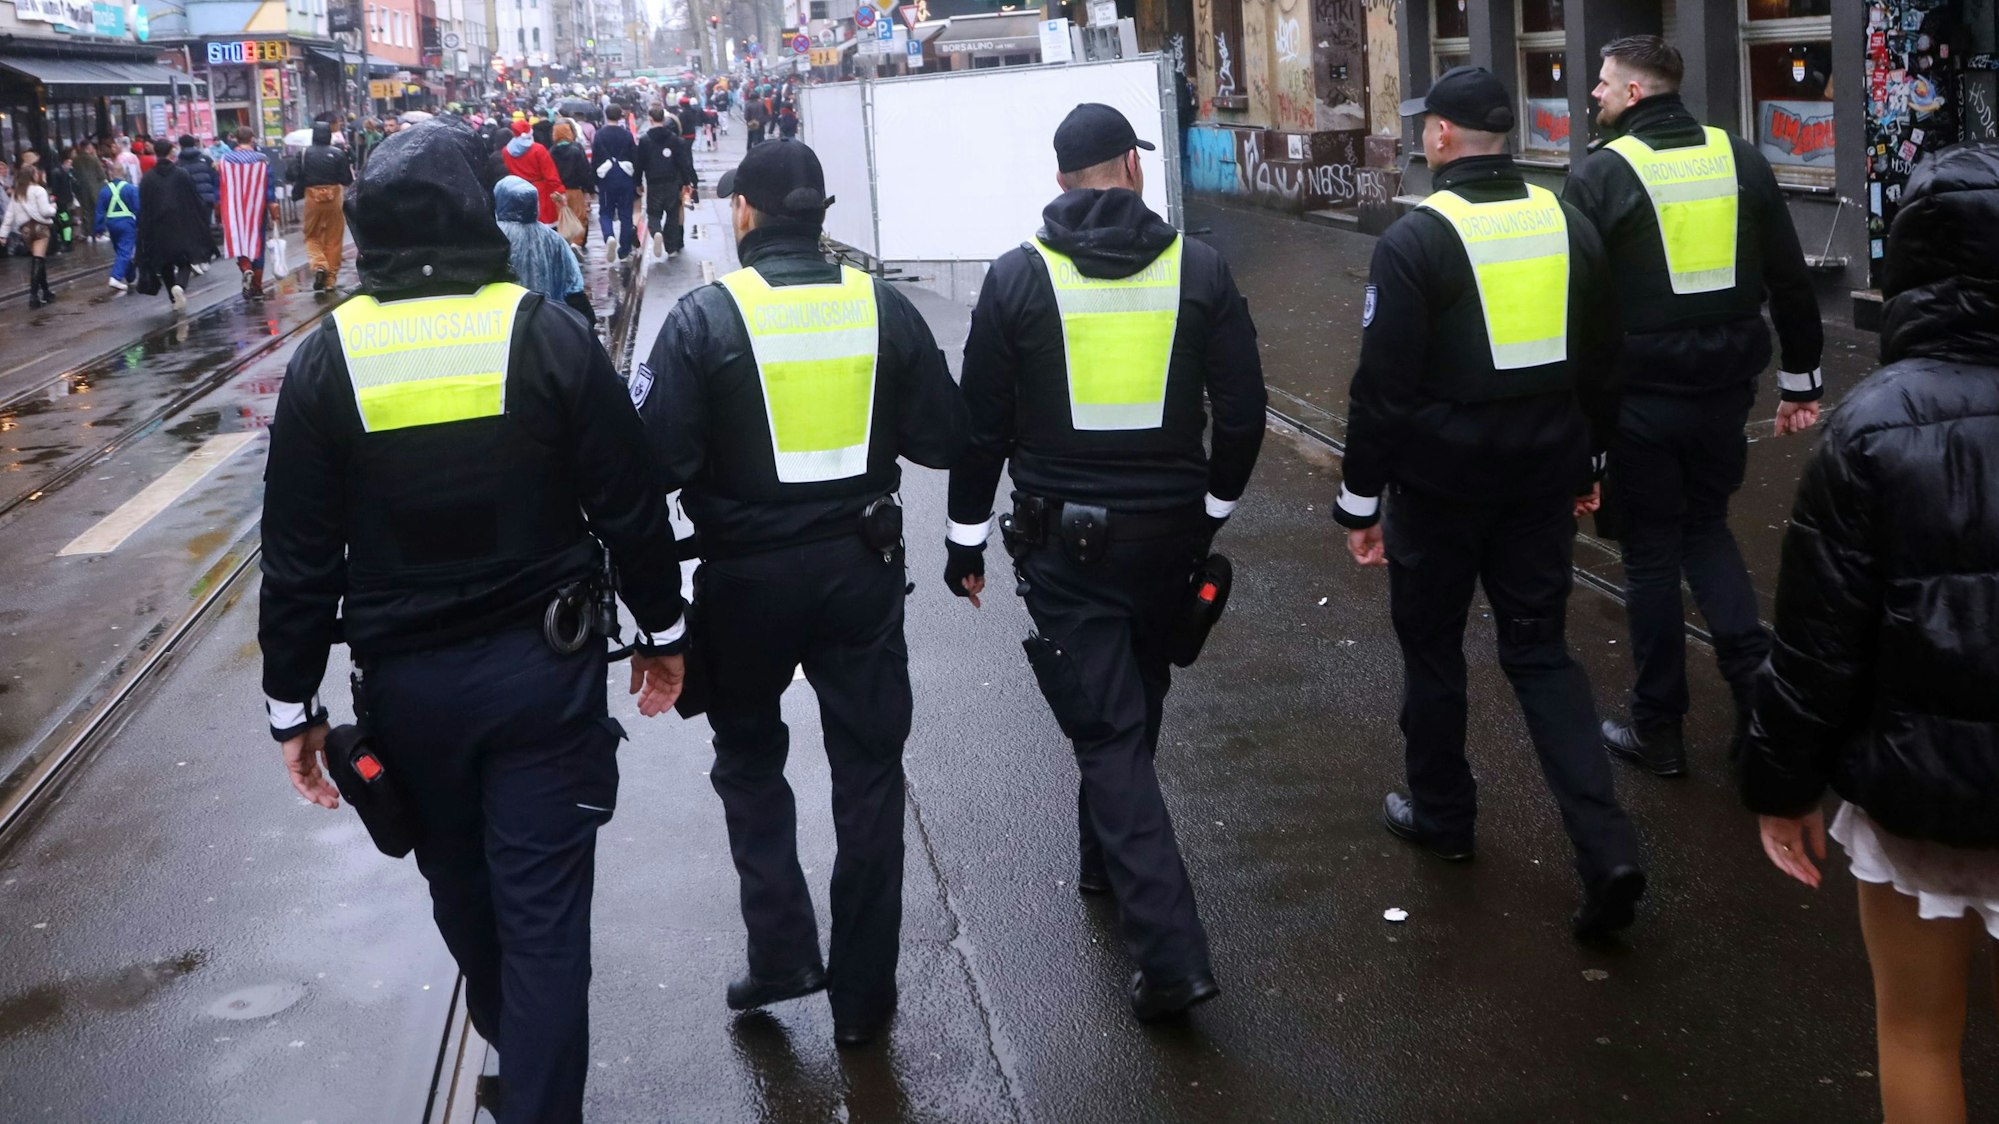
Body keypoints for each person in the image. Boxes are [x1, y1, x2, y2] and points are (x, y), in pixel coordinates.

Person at [258, 121, 689, 1124]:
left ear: (367, 229)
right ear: (471, 215)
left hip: (410, 693)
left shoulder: (327, 360)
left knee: (464, 898)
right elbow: (628, 499)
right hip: (546, 672)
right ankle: (537, 1077)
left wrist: (294, 707)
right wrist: (664, 632)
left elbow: (299, 556)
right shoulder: (541, 330)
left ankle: (523, 1060)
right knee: (543, 927)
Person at [634, 139, 968, 1047]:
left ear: (742, 211)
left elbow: (653, 463)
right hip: (860, 574)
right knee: (868, 773)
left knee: (748, 759)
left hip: (743, 581)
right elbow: (944, 440)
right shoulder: (882, 307)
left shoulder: (705, 318)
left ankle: (782, 954)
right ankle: (864, 997)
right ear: (819, 216)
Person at [944, 104, 1266, 1022]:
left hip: (1063, 543)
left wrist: (964, 538)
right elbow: (1242, 413)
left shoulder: (1016, 279)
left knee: (1108, 730)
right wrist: (1209, 508)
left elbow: (982, 429)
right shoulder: (1198, 268)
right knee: (1133, 697)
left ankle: (1168, 956)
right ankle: (1102, 862)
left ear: (1060, 180)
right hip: (1168, 534)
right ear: (1130, 165)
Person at [1331, 68, 1647, 938]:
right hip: (1540, 484)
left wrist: (1358, 502)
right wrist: (1593, 462)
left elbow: (1381, 392)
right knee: (1541, 655)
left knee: (1432, 652)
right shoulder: (1567, 222)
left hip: (1437, 494)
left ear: (1439, 138)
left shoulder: (1415, 240)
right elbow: (1604, 362)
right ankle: (1607, 849)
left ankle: (1444, 816)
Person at [1740, 142, 1999, 1124]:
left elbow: (1815, 642)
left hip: (1913, 797)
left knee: (1917, 1032)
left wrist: (1781, 785)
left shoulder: (1870, 424)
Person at [1561, 36, 1826, 776]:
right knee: (1705, 531)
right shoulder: (1738, 157)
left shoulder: (1602, 174)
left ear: (1635, 94)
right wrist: (1800, 381)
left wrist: (1575, 432)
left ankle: (1658, 728)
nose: (1594, 95)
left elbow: (1574, 310)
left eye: (1605, 84)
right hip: (1722, 392)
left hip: (1640, 399)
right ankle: (1759, 700)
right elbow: (1787, 273)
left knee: (1649, 555)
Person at [494, 175, 592, 321]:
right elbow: (572, 286)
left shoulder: (494, 237)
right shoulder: (553, 239)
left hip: (503, 322)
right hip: (547, 322)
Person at [135, 140, 213, 312]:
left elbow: (144, 206)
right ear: (171, 152)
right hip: (180, 224)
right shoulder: (181, 174)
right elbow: (193, 200)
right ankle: (180, 286)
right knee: (185, 259)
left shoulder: (147, 178)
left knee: (165, 263)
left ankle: (173, 297)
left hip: (157, 227)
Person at [218, 128, 279, 300]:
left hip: (234, 209)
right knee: (256, 243)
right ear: (252, 139)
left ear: (236, 139)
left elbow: (219, 183)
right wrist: (271, 203)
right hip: (256, 208)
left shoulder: (225, 159)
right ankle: (257, 287)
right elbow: (269, 186)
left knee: (239, 240)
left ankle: (246, 268)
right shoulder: (262, 160)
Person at [294, 123, 353, 292]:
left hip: (312, 197)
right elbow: (346, 179)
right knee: (334, 238)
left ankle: (319, 264)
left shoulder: (304, 153)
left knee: (311, 235)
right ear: (329, 135)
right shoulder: (338, 153)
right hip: (334, 196)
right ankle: (330, 280)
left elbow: (292, 174)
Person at [636, 106, 693, 260]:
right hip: (672, 182)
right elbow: (683, 163)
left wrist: (638, 182)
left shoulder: (644, 140)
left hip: (653, 183)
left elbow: (639, 163)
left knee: (653, 214)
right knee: (672, 214)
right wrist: (687, 182)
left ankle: (656, 233)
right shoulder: (675, 140)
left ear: (650, 119)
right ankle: (671, 247)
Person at [3, 163, 59, 308]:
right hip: (40, 227)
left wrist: (3, 234)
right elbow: (45, 211)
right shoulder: (38, 190)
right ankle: (34, 295)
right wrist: (53, 208)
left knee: (37, 260)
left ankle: (46, 291)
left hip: (25, 230)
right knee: (39, 260)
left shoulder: (17, 193)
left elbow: (9, 215)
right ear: (33, 175)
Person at [589, 104, 638, 262]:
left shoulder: (599, 135)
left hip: (606, 178)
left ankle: (609, 236)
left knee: (605, 212)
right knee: (625, 214)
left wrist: (594, 181)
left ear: (606, 115)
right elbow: (634, 157)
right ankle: (624, 249)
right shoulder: (627, 135)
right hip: (625, 177)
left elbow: (595, 159)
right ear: (620, 116)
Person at [502, 120, 564, 226]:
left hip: (518, 191)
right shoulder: (538, 149)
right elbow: (550, 174)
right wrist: (559, 191)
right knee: (545, 226)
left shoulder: (506, 151)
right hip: (540, 192)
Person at [547, 122, 595, 251]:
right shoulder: (576, 149)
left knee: (562, 218)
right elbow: (585, 170)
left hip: (557, 192)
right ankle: (577, 243)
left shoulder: (551, 151)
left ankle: (565, 243)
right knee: (579, 217)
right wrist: (589, 189)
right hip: (575, 189)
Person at [96, 173, 140, 290]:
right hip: (127, 224)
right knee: (125, 251)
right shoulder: (131, 189)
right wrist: (141, 223)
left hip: (112, 224)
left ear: (111, 174)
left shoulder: (104, 191)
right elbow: (138, 208)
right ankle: (115, 277)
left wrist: (98, 229)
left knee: (121, 251)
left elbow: (99, 211)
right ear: (124, 174)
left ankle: (131, 277)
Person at [70, 141, 105, 244]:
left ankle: (88, 233)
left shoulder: (75, 161)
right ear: (88, 148)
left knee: (86, 211)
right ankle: (98, 233)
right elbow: (101, 175)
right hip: (95, 189)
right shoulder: (93, 159)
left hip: (81, 190)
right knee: (97, 210)